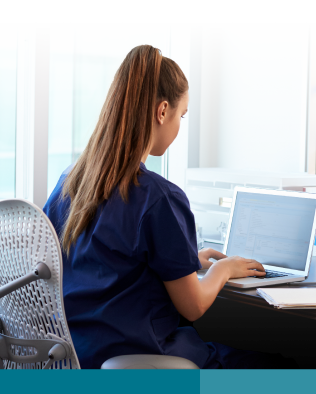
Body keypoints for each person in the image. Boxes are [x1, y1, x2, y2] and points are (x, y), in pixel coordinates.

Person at [43, 44, 270, 369]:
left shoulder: (71, 181)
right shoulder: (159, 197)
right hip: (139, 358)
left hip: (76, 357)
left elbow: (103, 263)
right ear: (162, 111)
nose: (179, 125)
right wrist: (223, 269)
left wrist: (188, 261)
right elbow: (193, 307)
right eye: (182, 115)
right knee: (278, 361)